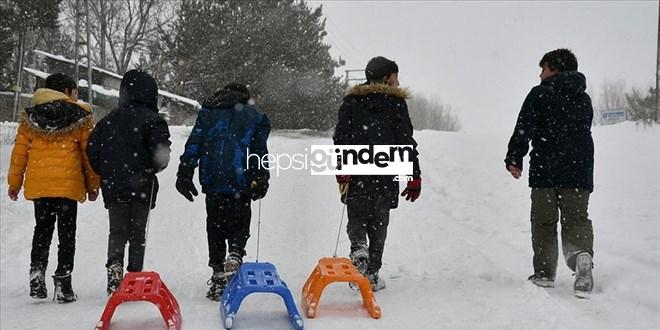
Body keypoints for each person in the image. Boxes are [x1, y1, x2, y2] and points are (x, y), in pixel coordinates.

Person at [505, 48, 595, 298]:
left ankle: (544, 273)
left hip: (546, 169)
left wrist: (515, 157)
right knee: (576, 218)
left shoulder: (540, 94)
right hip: (579, 170)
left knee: (544, 222)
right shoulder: (583, 98)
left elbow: (524, 127)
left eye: (543, 69)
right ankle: (581, 257)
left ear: (555, 68)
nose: (540, 75)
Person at [7, 73, 100, 303]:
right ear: (66, 92)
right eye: (75, 91)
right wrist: (93, 184)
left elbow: (19, 153)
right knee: (66, 235)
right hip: (68, 185)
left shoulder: (31, 117)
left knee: (43, 230)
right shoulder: (80, 115)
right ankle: (63, 282)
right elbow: (88, 155)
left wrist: (14, 182)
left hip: (41, 185)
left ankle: (37, 271)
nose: (77, 96)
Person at [333, 56, 421, 291]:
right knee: (379, 222)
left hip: (358, 170)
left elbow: (340, 137)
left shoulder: (352, 101)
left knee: (357, 216)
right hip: (386, 171)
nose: (397, 80)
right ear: (386, 77)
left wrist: (342, 166)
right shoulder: (397, 104)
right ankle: (371, 273)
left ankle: (358, 247)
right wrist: (413, 175)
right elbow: (405, 142)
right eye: (395, 76)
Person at [175, 83, 270, 301]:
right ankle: (235, 252)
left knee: (215, 224)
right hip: (241, 178)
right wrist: (261, 175)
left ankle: (218, 275)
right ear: (245, 98)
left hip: (213, 178)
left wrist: (185, 171)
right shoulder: (254, 117)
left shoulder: (208, 114)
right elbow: (258, 150)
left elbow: (194, 144)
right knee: (240, 219)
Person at [86, 69, 171, 295]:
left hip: (114, 185)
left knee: (117, 231)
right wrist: (152, 168)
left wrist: (106, 171)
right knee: (137, 233)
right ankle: (133, 276)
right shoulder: (154, 121)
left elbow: (92, 151)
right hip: (143, 185)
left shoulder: (108, 121)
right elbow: (162, 155)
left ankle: (114, 266)